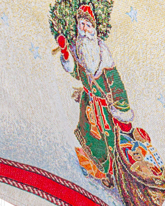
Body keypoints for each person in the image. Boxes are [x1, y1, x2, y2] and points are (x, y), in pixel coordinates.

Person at [57, 5, 134, 189]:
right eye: (81, 25)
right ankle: (96, 170)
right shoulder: (78, 49)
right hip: (88, 103)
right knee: (89, 135)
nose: (84, 29)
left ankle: (111, 172)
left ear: (94, 29)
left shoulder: (102, 54)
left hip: (104, 107)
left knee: (108, 140)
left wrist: (121, 107)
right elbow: (76, 72)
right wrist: (66, 55)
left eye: (88, 25)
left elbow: (115, 81)